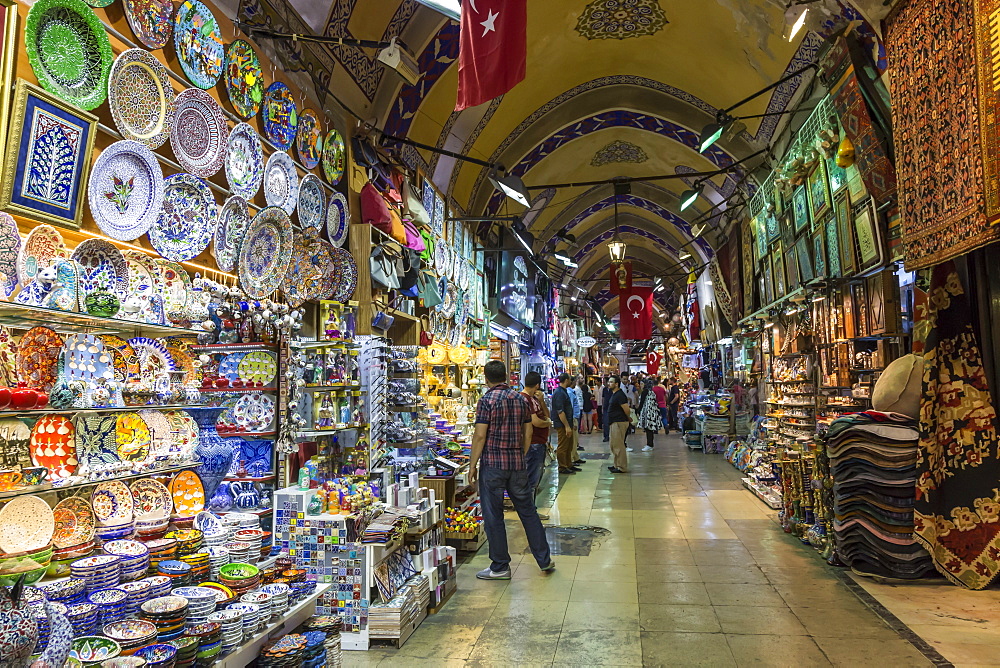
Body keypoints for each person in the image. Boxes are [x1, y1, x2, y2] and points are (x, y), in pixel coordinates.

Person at [470, 361, 554, 580]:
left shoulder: (486, 400)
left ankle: (500, 566)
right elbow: (528, 433)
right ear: (506, 376)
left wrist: (472, 465)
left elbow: (480, 435)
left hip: (493, 465)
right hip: (516, 464)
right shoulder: (520, 399)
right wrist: (520, 454)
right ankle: (544, 559)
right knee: (528, 511)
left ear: (486, 378)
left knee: (494, 515)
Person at [520, 372, 552, 502]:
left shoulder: (534, 399)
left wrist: (542, 402)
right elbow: (536, 422)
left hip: (539, 442)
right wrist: (548, 423)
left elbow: (546, 414)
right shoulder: (525, 399)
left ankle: (530, 509)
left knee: (535, 477)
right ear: (538, 385)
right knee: (531, 479)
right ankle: (530, 510)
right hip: (533, 443)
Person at [551, 373, 579, 474]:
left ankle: (568, 464)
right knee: (563, 446)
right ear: (566, 380)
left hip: (567, 423)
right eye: (570, 380)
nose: (571, 382)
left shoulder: (563, 391)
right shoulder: (559, 393)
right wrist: (567, 426)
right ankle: (562, 466)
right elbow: (560, 411)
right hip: (562, 424)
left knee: (569, 445)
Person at [606, 375, 630, 473]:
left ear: (616, 384)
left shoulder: (620, 395)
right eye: (609, 382)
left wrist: (628, 418)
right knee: (614, 445)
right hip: (614, 422)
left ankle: (621, 467)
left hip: (619, 422)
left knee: (619, 445)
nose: (609, 383)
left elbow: (626, 409)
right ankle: (616, 464)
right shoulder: (614, 394)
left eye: (611, 382)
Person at [637, 378, 662, 451]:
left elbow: (641, 402)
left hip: (647, 412)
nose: (640, 385)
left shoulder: (645, 391)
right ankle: (650, 444)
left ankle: (649, 444)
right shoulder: (651, 391)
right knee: (650, 429)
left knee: (648, 429)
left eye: (642, 384)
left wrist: (638, 411)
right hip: (652, 412)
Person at [602, 377, 613, 442]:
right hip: (606, 407)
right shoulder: (604, 389)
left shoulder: (613, 389)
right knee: (605, 423)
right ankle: (606, 436)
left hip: (612, 407)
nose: (603, 383)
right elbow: (603, 398)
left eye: (604, 381)